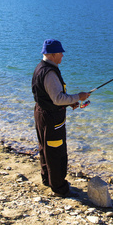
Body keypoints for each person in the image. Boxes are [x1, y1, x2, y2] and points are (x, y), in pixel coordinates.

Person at [32, 39, 90, 197]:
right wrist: (79, 96)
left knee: (45, 148)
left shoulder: (41, 68)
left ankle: (48, 179)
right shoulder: (50, 73)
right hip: (51, 119)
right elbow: (57, 98)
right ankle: (59, 188)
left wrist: (70, 103)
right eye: (60, 53)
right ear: (51, 55)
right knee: (56, 152)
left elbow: (51, 98)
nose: (62, 55)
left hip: (42, 114)